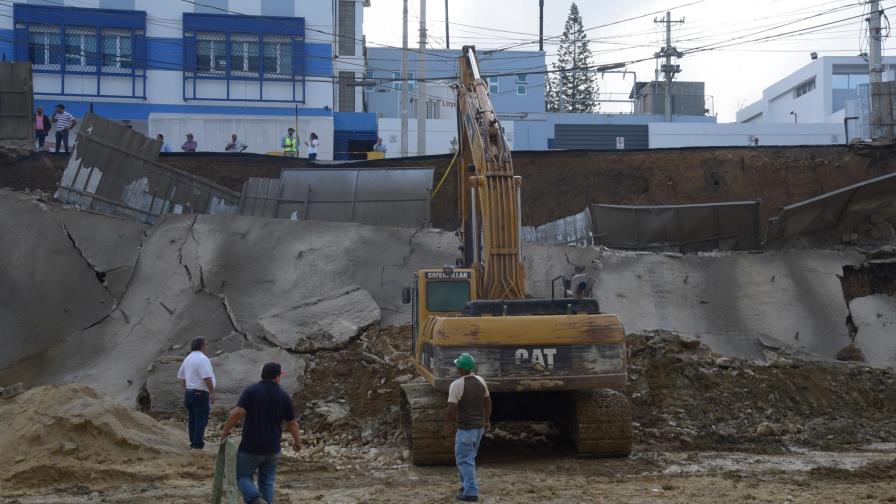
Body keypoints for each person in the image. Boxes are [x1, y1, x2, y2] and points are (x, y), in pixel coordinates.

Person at [221, 362, 302, 504]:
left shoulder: (251, 391)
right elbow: (292, 423)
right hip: (273, 448)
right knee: (267, 482)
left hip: (251, 447)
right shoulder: (284, 396)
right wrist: (298, 442)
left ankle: (255, 498)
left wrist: (226, 430)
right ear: (276, 377)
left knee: (242, 477)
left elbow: (238, 412)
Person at [444, 353, 491, 503]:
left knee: (464, 460)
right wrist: (487, 421)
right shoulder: (481, 381)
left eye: (457, 365)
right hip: (478, 429)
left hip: (466, 429)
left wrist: (447, 424)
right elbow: (488, 402)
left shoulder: (456, 385)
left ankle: (470, 492)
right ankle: (465, 486)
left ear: (460, 368)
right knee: (469, 458)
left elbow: (451, 409)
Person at [176, 337, 216, 449]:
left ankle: (193, 442)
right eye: (206, 345)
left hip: (190, 393)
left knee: (192, 418)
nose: (207, 347)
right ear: (202, 346)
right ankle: (197, 445)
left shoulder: (188, 358)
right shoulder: (203, 359)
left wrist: (187, 390)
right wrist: (212, 392)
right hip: (200, 393)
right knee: (201, 418)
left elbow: (181, 377)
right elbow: (207, 377)